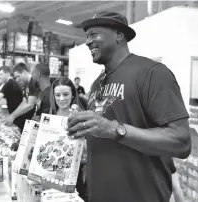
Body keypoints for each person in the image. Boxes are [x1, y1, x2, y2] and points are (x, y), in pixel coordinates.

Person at [67, 11, 191, 202]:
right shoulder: (97, 83)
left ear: (119, 35)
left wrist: (115, 129)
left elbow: (182, 142)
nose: (88, 42)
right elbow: (105, 135)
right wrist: (83, 133)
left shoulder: (152, 73)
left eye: (94, 34)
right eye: (86, 36)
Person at [49, 77, 88, 201]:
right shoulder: (50, 115)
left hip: (75, 173)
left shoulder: (81, 115)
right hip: (52, 172)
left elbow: (87, 148)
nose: (61, 99)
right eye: (57, 95)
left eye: (66, 94)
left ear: (72, 95)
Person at [0, 66, 32, 131]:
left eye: (1, 74)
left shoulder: (9, 83)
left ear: (7, 73)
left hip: (20, 116)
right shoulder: (11, 83)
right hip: (19, 115)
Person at [3, 63, 36, 127]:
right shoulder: (27, 85)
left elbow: (30, 105)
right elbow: (24, 102)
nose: (17, 80)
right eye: (15, 78)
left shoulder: (33, 82)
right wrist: (12, 116)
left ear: (24, 72)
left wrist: (12, 116)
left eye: (18, 76)